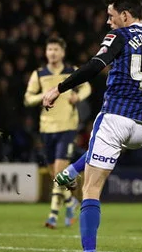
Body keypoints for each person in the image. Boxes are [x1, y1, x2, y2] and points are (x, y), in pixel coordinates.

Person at [44, 0, 142, 252]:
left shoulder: (119, 37)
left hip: (117, 117)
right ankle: (70, 170)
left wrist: (59, 89)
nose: (108, 21)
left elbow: (93, 67)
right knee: (105, 150)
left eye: (111, 15)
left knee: (91, 188)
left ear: (126, 16)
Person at [24, 36, 91, 229]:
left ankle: (53, 214)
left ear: (62, 52)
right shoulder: (39, 74)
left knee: (60, 170)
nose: (52, 53)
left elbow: (87, 86)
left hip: (67, 127)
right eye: (49, 49)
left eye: (56, 49)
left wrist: (78, 96)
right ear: (46, 53)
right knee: (56, 174)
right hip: (47, 127)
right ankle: (71, 202)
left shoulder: (71, 71)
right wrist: (42, 97)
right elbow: (28, 99)